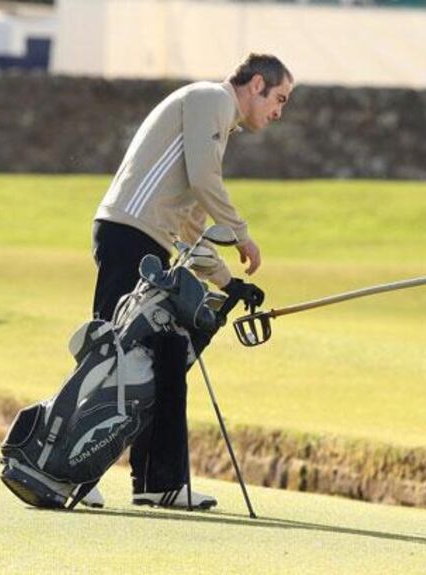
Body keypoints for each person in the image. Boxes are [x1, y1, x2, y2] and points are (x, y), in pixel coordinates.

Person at [89, 53, 293, 509]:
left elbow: (188, 227)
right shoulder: (210, 99)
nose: (279, 111)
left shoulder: (217, 124)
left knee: (163, 357)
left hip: (151, 243)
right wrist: (242, 235)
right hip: (129, 235)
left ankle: (159, 482)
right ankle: (70, 468)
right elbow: (205, 179)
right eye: (278, 98)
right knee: (113, 356)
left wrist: (227, 282)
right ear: (256, 84)